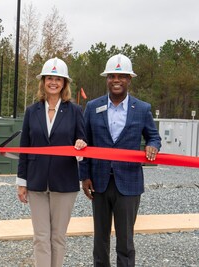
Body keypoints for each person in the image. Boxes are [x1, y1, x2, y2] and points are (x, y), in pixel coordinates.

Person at [79, 54, 161, 267]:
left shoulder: (142, 109)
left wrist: (153, 145)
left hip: (129, 184)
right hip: (99, 182)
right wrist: (85, 176)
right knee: (100, 241)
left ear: (129, 80)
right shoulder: (93, 107)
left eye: (121, 76)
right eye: (112, 76)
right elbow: (84, 142)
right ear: (106, 79)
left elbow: (154, 136)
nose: (116, 80)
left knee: (125, 242)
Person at [16, 57, 87, 267]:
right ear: (43, 81)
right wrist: (22, 181)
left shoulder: (74, 111)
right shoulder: (32, 111)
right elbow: (24, 147)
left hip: (64, 183)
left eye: (58, 79)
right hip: (36, 183)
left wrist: (81, 146)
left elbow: (82, 143)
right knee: (40, 237)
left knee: (57, 237)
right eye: (49, 78)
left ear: (64, 83)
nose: (53, 82)